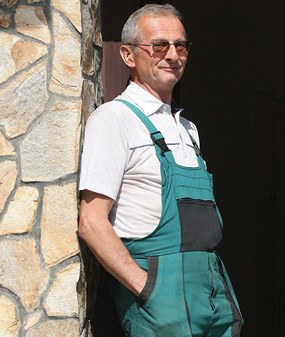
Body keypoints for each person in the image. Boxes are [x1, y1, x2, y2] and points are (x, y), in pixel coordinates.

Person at [78, 4, 242, 337]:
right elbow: (92, 222)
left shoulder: (188, 129)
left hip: (213, 294)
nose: (173, 55)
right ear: (127, 55)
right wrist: (147, 288)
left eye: (181, 46)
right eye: (159, 46)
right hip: (160, 301)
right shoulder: (115, 120)